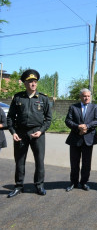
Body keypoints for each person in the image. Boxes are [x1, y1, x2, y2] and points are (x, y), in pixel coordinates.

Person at [7, 69, 52, 197]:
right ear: (25, 83)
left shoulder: (43, 98)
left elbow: (48, 119)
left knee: (39, 161)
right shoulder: (18, 97)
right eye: (30, 81)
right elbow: (10, 117)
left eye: (35, 81)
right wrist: (13, 132)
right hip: (21, 133)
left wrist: (41, 131)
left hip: (37, 133)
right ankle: (18, 186)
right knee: (20, 161)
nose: (33, 84)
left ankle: (39, 185)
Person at [65, 88, 97, 192]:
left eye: (88, 96)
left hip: (89, 138)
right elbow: (68, 120)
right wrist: (78, 127)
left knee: (86, 163)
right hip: (75, 138)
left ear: (91, 97)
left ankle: (84, 182)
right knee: (74, 162)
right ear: (80, 97)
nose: (86, 98)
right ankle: (73, 182)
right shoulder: (73, 107)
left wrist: (86, 126)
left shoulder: (95, 107)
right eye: (84, 96)